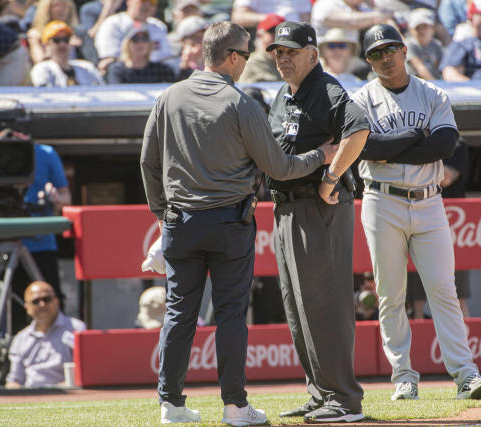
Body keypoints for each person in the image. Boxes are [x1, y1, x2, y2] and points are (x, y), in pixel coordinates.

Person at [140, 21, 336, 425]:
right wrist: (322, 155)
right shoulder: (241, 103)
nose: (248, 62)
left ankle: (171, 405)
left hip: (181, 222)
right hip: (229, 221)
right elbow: (280, 168)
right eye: (246, 55)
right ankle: (234, 407)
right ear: (232, 57)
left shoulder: (169, 97)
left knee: (179, 312)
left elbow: (148, 164)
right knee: (230, 314)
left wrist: (162, 217)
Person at [352, 23, 481, 401]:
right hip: (382, 199)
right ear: (368, 60)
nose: (385, 57)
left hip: (430, 200)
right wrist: (416, 137)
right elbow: (363, 148)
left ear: (403, 49)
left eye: (390, 49)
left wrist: (392, 147)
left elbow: (444, 145)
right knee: (390, 293)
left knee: (443, 289)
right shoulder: (362, 98)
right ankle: (403, 375)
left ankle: (465, 374)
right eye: (375, 53)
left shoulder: (431, 92)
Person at [265, 21, 369, 423]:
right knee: (297, 307)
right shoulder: (283, 94)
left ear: (313, 53)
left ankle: (344, 400)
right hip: (286, 206)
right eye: (278, 52)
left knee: (324, 305)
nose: (283, 58)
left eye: (291, 51)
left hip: (318, 207)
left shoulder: (326, 89)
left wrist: (330, 178)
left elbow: (357, 130)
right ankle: (321, 392)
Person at [0, 100, 72, 331]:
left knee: (49, 307)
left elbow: (66, 199)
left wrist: (53, 199)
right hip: (0, 242)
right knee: (3, 313)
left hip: (40, 243)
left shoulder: (46, 153)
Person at [406, 138, 472, 319]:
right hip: (419, 222)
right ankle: (420, 346)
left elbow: (446, 177)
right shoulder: (418, 142)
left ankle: (466, 345)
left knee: (457, 296)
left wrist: (417, 161)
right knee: (417, 298)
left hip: (453, 229)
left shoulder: (456, 144)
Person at [5, 280, 86, 388]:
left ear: (57, 301)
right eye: (36, 301)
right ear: (27, 308)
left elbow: (85, 372)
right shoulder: (21, 339)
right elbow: (14, 381)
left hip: (66, 395)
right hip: (30, 397)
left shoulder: (76, 329)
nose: (42, 304)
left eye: (47, 299)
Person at [94, 0, 172, 73]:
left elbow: (166, 58)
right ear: (129, 1)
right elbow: (109, 59)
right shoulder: (113, 23)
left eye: (152, 2)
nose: (147, 5)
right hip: (124, 73)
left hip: (155, 74)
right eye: (143, 1)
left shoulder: (158, 26)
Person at [31, 20, 104, 87]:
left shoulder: (87, 67)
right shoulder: (42, 68)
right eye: (56, 40)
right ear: (46, 45)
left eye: (66, 39)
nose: (62, 44)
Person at [106, 24, 177, 83]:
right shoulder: (117, 70)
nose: (140, 43)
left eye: (145, 38)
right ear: (127, 44)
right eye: (135, 39)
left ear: (150, 43)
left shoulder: (161, 70)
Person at [238, 13, 283, 83]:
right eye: (272, 31)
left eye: (281, 32)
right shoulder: (249, 64)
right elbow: (244, 91)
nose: (277, 36)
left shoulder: (293, 62)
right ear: (260, 35)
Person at [405, 8, 443, 80]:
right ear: (411, 30)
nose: (421, 31)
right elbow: (419, 67)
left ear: (432, 28)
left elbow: (442, 67)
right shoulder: (409, 45)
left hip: (435, 83)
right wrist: (435, 86)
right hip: (415, 84)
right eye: (417, 28)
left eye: (425, 27)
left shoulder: (437, 45)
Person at [230, 0, 312, 31]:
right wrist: (270, 20)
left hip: (296, 37)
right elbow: (238, 17)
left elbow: (306, 19)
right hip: (269, 34)